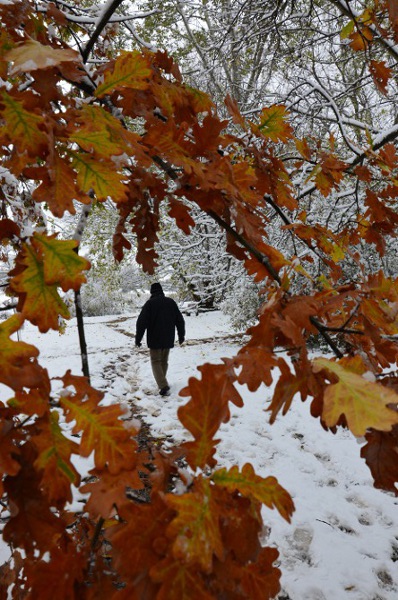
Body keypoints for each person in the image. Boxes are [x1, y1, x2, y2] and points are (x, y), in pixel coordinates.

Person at [135, 283, 185, 396]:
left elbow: (141, 323)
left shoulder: (149, 304)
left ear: (152, 292)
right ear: (162, 291)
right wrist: (181, 335)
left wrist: (138, 338)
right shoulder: (171, 302)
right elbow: (180, 320)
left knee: (155, 361)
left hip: (154, 338)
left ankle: (163, 385)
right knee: (163, 361)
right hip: (168, 337)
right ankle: (162, 382)